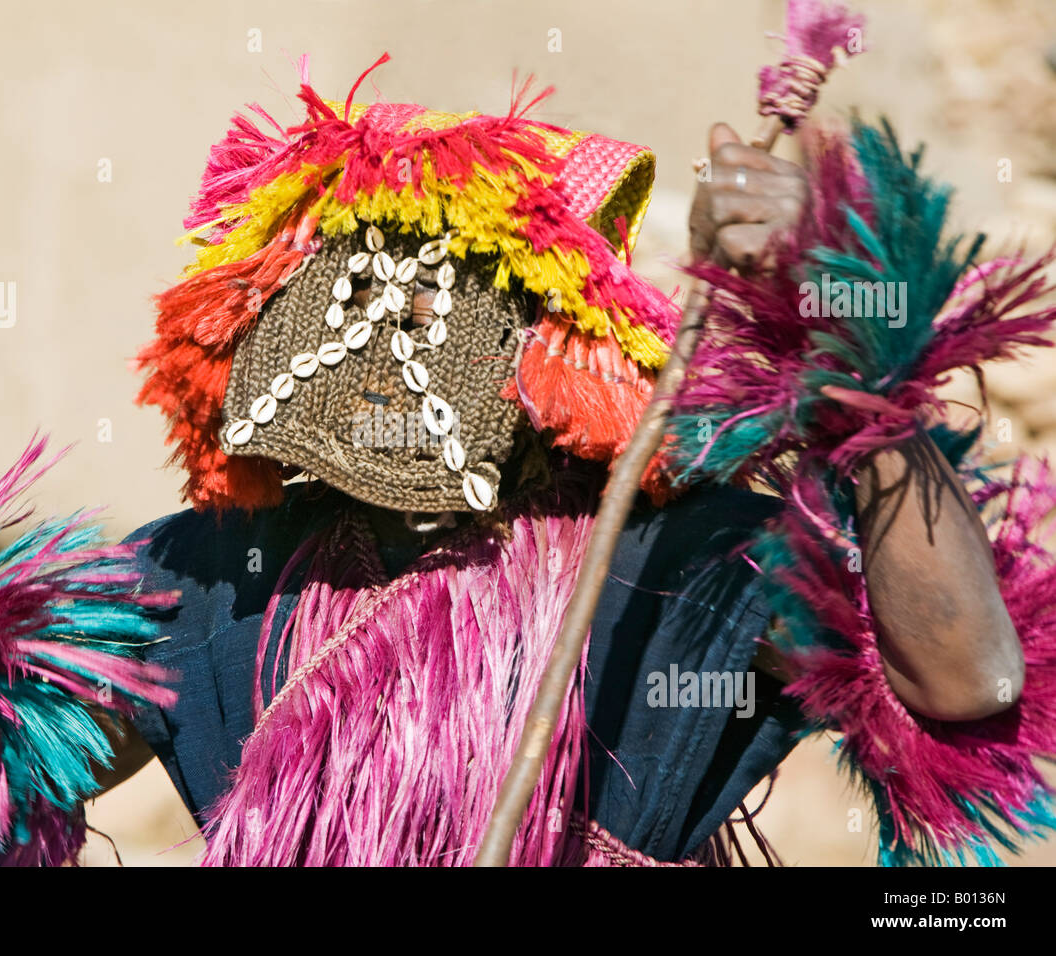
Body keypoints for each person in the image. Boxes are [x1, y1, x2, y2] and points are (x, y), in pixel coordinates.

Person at [94, 65, 1039, 867]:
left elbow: (968, 684)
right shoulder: (210, 581)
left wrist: (850, 344)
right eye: (343, 280)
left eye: (433, 294)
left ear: (552, 342)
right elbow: (11, 749)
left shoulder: (668, 564)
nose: (381, 328)